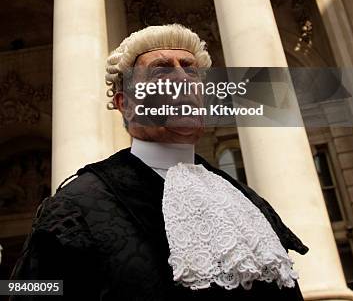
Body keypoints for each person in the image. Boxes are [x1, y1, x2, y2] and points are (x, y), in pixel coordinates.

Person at [10, 24, 308, 300]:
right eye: (161, 71)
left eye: (191, 72)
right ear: (124, 103)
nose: (182, 80)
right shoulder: (76, 205)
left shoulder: (246, 201)